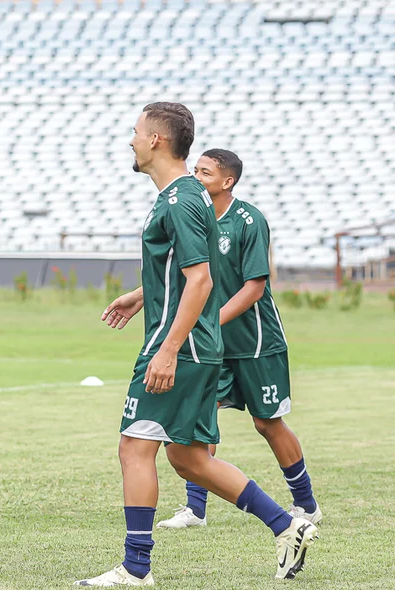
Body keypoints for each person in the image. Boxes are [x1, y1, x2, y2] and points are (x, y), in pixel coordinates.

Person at [75, 104, 318, 587]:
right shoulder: (184, 196)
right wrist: (142, 296)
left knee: (134, 448)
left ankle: (136, 568)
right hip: (196, 346)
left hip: (180, 348)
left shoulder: (180, 200)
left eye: (137, 132)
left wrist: (167, 348)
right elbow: (187, 269)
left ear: (158, 141)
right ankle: (288, 524)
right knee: (188, 459)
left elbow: (201, 280)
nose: (131, 141)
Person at [157, 149, 321, 530]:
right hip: (214, 345)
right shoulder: (195, 219)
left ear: (227, 181)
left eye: (205, 172)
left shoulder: (249, 220)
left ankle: (306, 504)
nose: (196, 177)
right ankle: (195, 509)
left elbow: (254, 288)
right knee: (201, 414)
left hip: (257, 343)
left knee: (268, 424)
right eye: (194, 170)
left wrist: (208, 320)